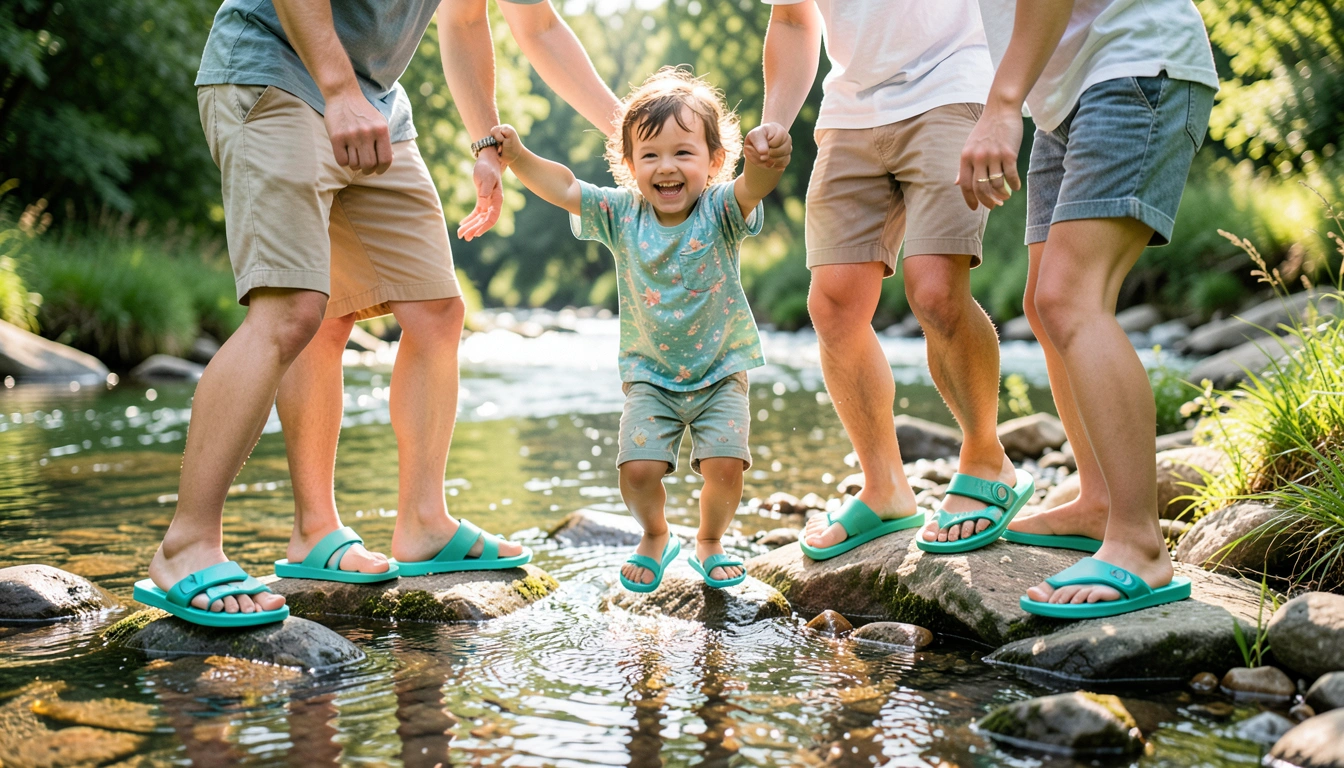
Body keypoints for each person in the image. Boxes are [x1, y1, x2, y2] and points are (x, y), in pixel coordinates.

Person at [134, 0, 619, 626]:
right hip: (273, 72)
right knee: (292, 311)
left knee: (435, 310)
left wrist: (626, 137)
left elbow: (495, 21)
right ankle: (186, 545)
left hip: (378, 103)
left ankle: (407, 524)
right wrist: (337, 90)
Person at [484, 67, 791, 591]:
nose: (666, 167)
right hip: (650, 375)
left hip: (721, 368)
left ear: (715, 161)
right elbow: (564, 188)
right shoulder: (622, 214)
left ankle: (710, 540)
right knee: (638, 470)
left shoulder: (720, 209)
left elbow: (753, 187)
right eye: (649, 155)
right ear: (628, 166)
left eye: (683, 153)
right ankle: (655, 533)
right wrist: (518, 159)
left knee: (724, 467)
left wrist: (768, 162)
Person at [966, 0, 1218, 618]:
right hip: (1067, 93)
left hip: (1133, 63)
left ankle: (1140, 543)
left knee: (1071, 297)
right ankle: (1101, 500)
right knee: (1044, 302)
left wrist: (1001, 106)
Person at [761, 0, 1034, 561]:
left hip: (954, 86)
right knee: (833, 305)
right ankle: (885, 486)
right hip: (848, 112)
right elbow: (791, 17)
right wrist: (775, 119)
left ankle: (987, 459)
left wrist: (1005, 102)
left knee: (935, 290)